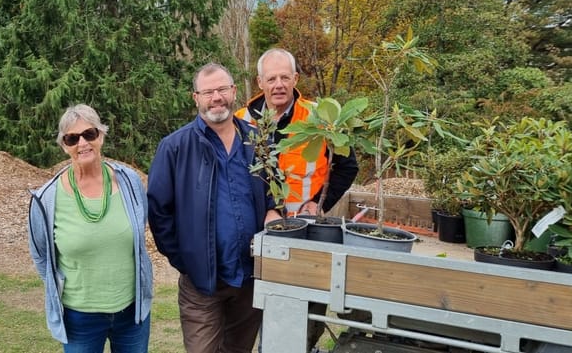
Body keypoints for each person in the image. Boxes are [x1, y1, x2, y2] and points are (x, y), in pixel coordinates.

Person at [147, 63, 282, 353]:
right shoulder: (174, 147)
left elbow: (274, 192)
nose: (216, 97)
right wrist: (186, 260)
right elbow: (159, 212)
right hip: (202, 284)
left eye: (222, 89)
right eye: (208, 92)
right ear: (195, 97)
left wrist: (273, 211)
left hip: (250, 277)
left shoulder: (258, 141)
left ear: (233, 92)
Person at [236, 48, 359, 352]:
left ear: (295, 79)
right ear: (260, 83)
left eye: (284, 77)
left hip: (308, 231)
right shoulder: (240, 122)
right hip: (257, 232)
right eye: (271, 78)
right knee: (257, 303)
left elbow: (347, 165)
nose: (278, 84)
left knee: (308, 305)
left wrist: (319, 203)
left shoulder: (319, 116)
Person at [27, 104, 153, 352]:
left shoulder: (131, 183)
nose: (82, 143)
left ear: (101, 136)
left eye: (89, 134)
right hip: (79, 319)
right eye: (72, 138)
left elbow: (140, 229)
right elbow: (41, 255)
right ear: (64, 145)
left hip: (132, 313)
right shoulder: (46, 199)